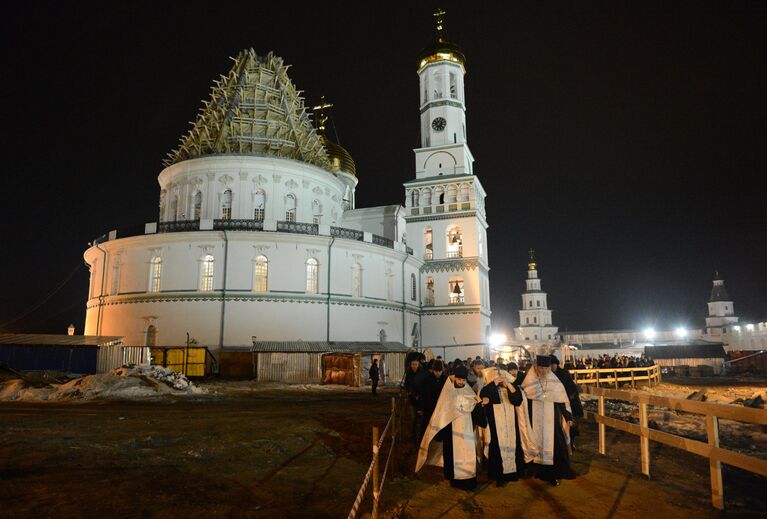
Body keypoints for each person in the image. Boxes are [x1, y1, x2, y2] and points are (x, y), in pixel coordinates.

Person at [416, 364, 486, 490]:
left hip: (466, 430)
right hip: (451, 430)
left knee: (467, 453)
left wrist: (480, 404)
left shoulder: (469, 391)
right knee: (450, 454)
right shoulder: (447, 392)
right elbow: (442, 411)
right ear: (455, 378)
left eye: (463, 380)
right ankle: (451, 479)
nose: (461, 382)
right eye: (459, 379)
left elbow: (474, 408)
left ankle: (469, 479)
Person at [515, 354, 576, 486]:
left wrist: (568, 416)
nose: (543, 370)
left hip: (550, 420)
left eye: (545, 368)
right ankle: (536, 470)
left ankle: (552, 474)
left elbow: (561, 400)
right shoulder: (529, 381)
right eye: (540, 368)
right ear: (536, 367)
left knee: (555, 444)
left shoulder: (555, 382)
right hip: (534, 420)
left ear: (548, 369)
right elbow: (523, 398)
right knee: (534, 442)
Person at [479, 367, 534, 486]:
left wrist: (508, 384)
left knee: (513, 446)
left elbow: (517, 400)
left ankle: (514, 474)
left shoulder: (511, 388)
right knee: (497, 449)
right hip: (496, 427)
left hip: (511, 425)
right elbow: (483, 394)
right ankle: (499, 476)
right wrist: (494, 383)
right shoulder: (489, 389)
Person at [549, 355, 584, 449]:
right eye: (550, 365)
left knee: (571, 424)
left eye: (553, 364)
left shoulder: (564, 374)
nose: (551, 367)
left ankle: (571, 443)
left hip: (570, 402)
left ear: (556, 364)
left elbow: (571, 388)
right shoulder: (549, 376)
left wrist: (568, 399)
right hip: (558, 403)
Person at [418, 360, 448, 438]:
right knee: (426, 428)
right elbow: (423, 394)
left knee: (440, 428)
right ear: (432, 370)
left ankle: (439, 441)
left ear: (442, 370)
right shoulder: (427, 380)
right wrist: (421, 408)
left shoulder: (446, 380)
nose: (437, 373)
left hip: (441, 409)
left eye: (439, 371)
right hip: (429, 408)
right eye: (435, 371)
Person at [403, 355, 427, 442]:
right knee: (413, 418)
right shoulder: (408, 373)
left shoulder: (422, 373)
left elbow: (424, 385)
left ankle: (421, 436)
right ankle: (413, 434)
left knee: (421, 418)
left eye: (416, 364)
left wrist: (420, 395)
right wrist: (410, 392)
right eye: (413, 364)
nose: (414, 366)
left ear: (418, 364)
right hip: (412, 399)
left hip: (421, 399)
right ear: (410, 364)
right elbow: (406, 385)